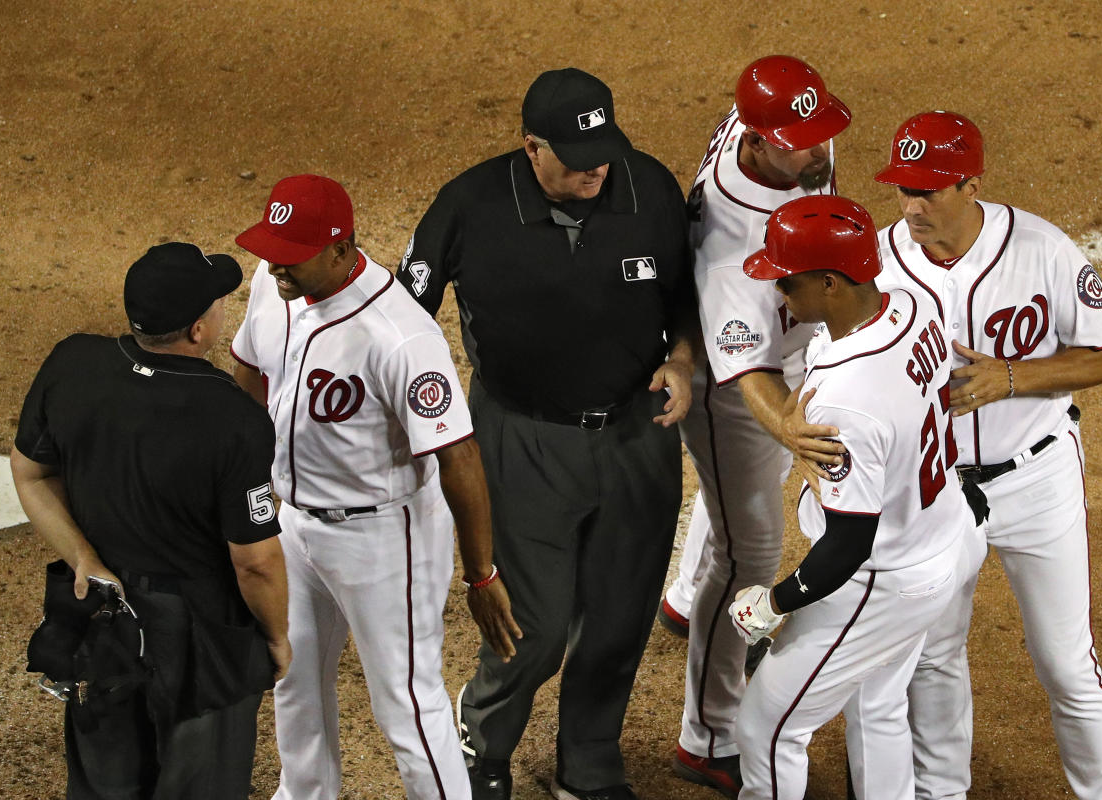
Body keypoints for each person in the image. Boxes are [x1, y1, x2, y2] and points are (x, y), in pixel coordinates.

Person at [399, 68, 696, 800]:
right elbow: (402, 318)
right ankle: (484, 743)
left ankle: (589, 762)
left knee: (621, 613)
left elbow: (689, 296)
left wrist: (684, 359)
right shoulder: (470, 204)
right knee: (532, 623)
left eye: (602, 149)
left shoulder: (647, 188)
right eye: (573, 154)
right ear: (530, 147)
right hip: (521, 437)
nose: (595, 166)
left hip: (637, 434)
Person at [230, 174, 517, 800]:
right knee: (293, 677)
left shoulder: (401, 335)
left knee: (406, 705)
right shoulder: (272, 284)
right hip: (295, 523)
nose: (277, 265)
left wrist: (482, 574)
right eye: (273, 249)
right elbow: (250, 369)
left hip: (384, 537)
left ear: (340, 250)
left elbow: (459, 455)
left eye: (293, 254)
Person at [871, 111, 1102, 800]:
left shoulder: (1040, 248)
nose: (913, 206)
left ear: (971, 184)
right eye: (903, 189)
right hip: (933, 493)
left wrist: (1009, 378)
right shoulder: (876, 264)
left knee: (1068, 667)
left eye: (929, 190)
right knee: (934, 657)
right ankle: (940, 793)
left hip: (1035, 475)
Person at [11, 241, 291, 799]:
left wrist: (83, 559)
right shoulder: (234, 418)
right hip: (197, 638)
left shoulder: (73, 361)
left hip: (103, 618)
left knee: (104, 784)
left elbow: (31, 474)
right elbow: (255, 562)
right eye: (216, 304)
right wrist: (277, 638)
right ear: (197, 331)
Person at [729, 194, 978, 800]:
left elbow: (846, 545)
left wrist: (775, 602)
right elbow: (933, 398)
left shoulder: (848, 401)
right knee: (878, 701)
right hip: (943, 534)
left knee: (767, 726)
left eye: (788, 283)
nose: (780, 294)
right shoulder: (913, 306)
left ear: (832, 283)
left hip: (880, 578)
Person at [666, 55, 851, 797]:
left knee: (733, 517)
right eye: (800, 142)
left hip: (788, 345)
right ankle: (706, 734)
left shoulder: (794, 146)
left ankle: (683, 599)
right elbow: (748, 377)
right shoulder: (732, 253)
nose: (818, 151)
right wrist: (793, 432)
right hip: (731, 390)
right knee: (752, 552)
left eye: (819, 132)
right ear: (757, 141)